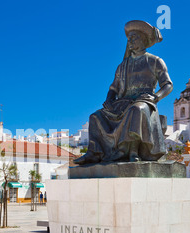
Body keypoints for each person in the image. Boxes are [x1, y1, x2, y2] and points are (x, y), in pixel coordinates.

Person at [74, 20, 173, 165]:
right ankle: (94, 153)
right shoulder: (122, 65)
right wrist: (109, 99)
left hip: (144, 102)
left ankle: (133, 151)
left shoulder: (155, 61)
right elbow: (113, 87)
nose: (130, 41)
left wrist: (155, 97)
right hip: (121, 103)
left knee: (136, 109)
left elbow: (168, 85)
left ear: (144, 39)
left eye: (134, 37)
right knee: (95, 116)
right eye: (129, 39)